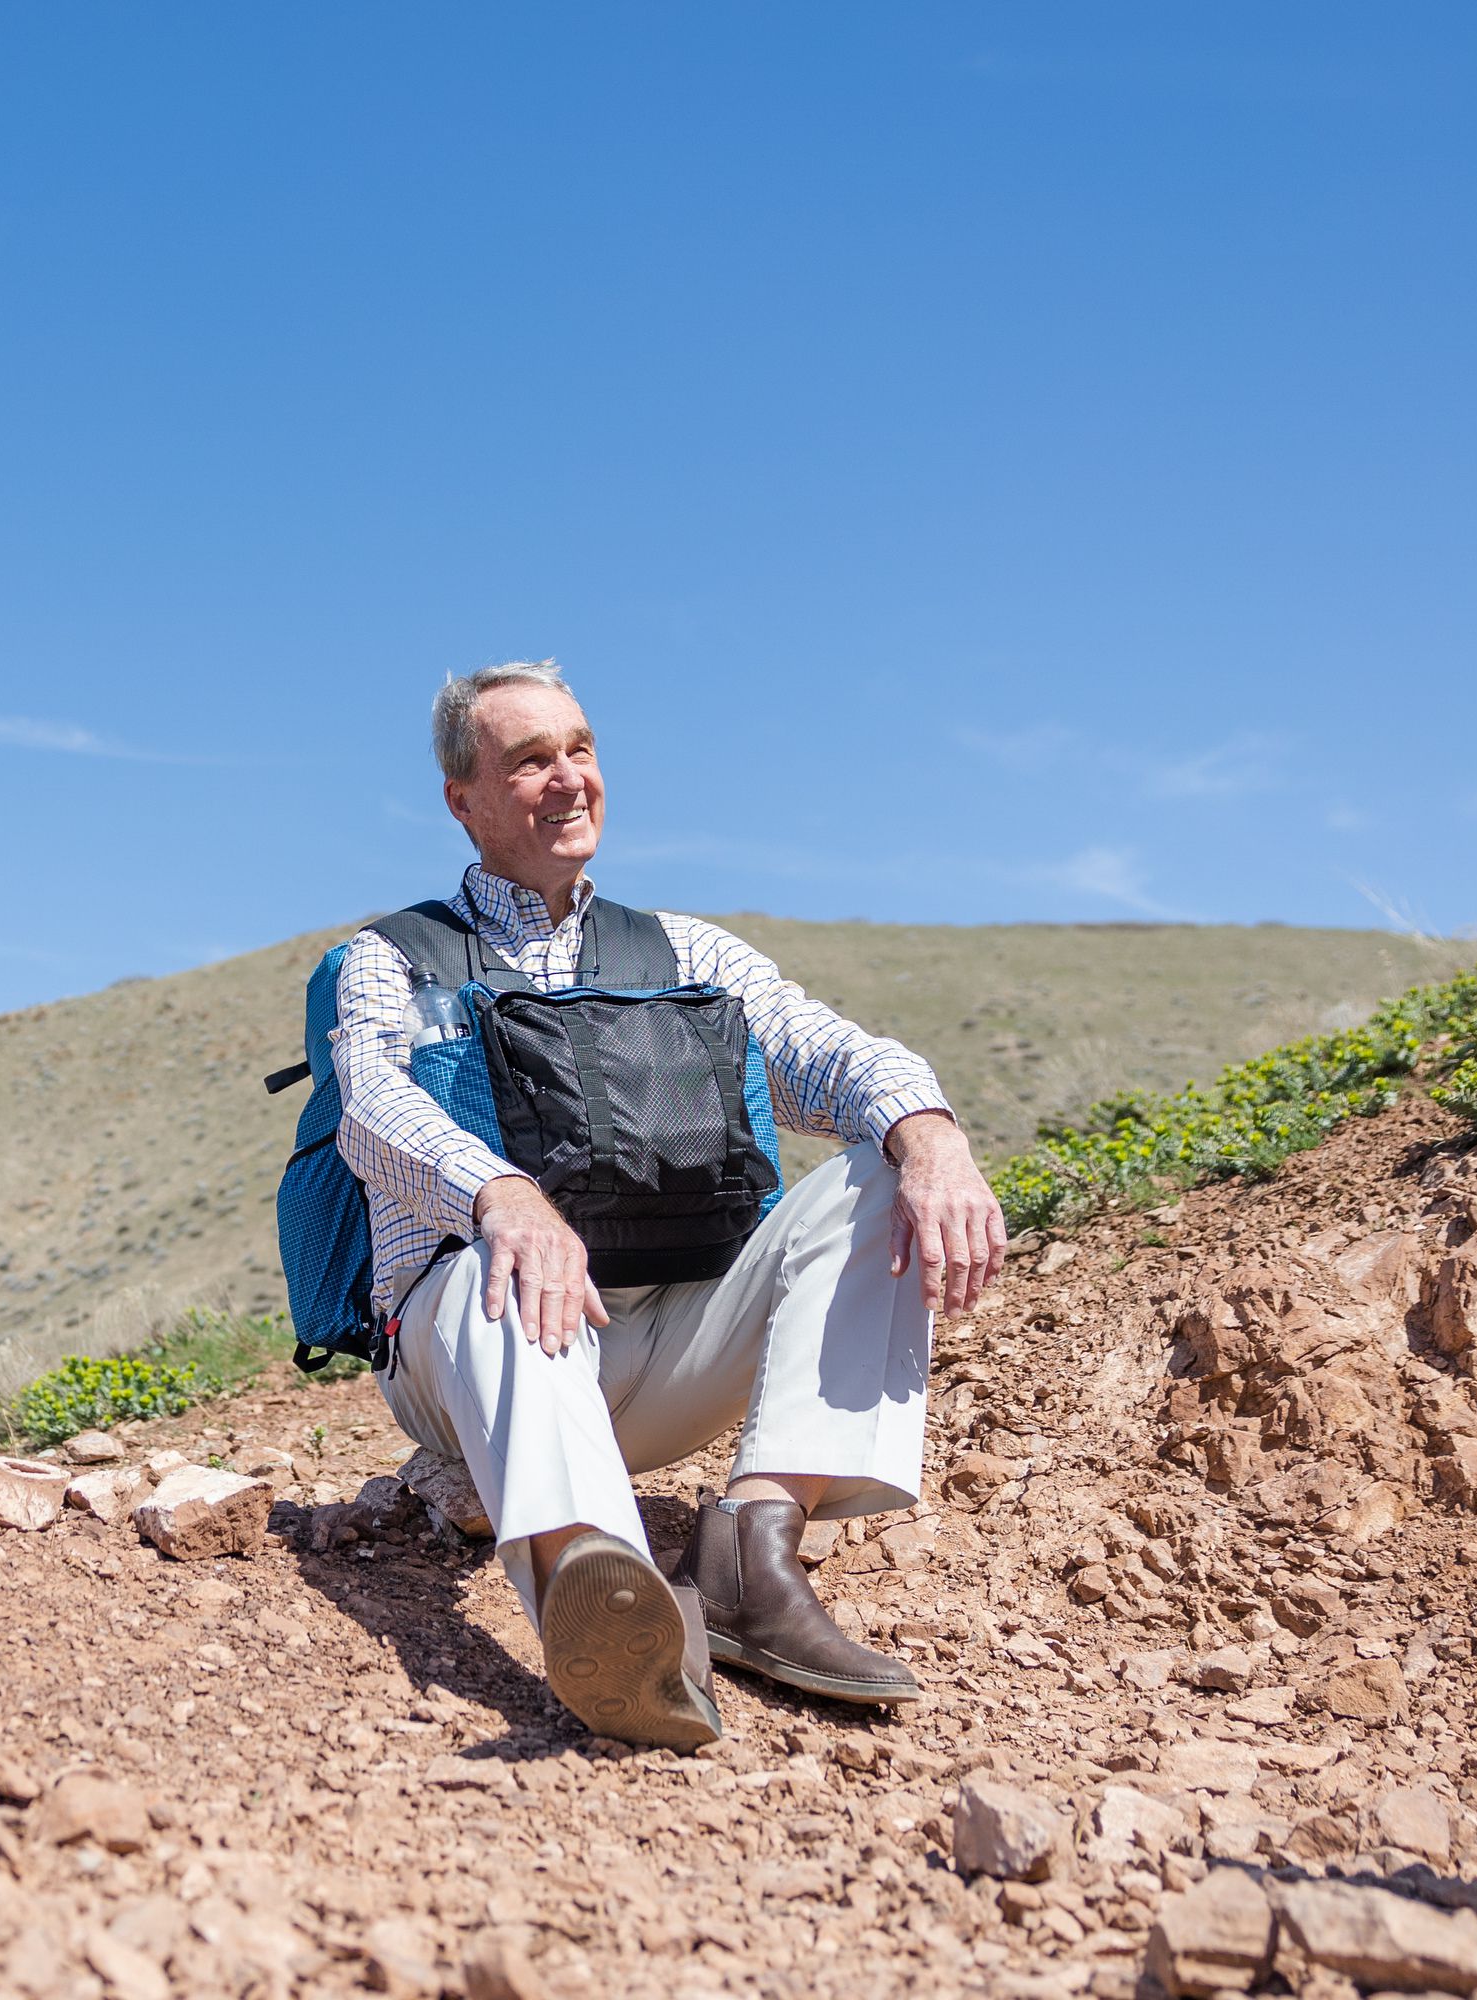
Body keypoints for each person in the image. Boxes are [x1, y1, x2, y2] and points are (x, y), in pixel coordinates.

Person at [332, 660, 1006, 1746]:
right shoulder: (393, 962)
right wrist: (500, 1194)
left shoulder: (688, 952)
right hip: (473, 1352)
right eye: (530, 760)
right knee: (496, 1261)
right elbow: (371, 1104)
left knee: (882, 1166)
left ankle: (751, 1551)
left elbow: (831, 1054)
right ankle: (598, 1600)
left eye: (581, 749)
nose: (568, 779)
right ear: (463, 800)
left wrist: (931, 1135)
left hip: (664, 1345)